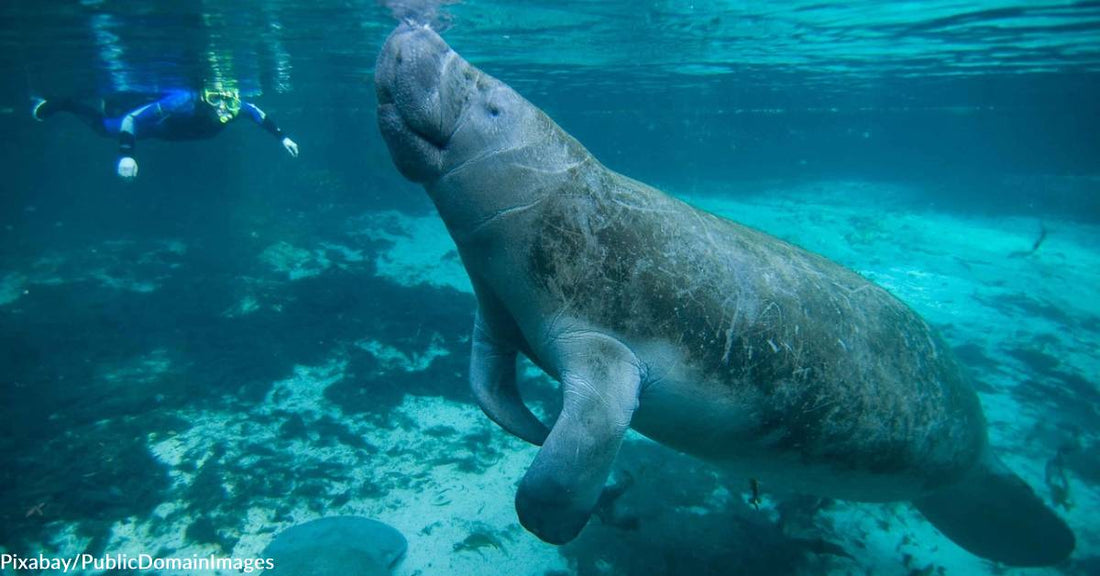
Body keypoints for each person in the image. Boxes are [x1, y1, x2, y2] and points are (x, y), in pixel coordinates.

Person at [32, 87, 299, 181]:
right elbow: (132, 120)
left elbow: (258, 115)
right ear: (203, 95)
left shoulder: (235, 106)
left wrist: (283, 137)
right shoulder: (182, 100)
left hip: (169, 133)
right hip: (151, 127)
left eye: (229, 101)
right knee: (104, 128)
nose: (223, 106)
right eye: (214, 97)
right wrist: (127, 154)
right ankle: (64, 103)